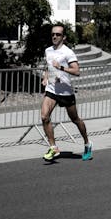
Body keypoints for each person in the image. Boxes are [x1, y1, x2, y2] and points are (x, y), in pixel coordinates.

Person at [41, 24, 93, 161]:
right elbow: (47, 66)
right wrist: (46, 77)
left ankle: (87, 143)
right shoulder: (48, 50)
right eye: (53, 34)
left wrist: (62, 68)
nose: (54, 36)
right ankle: (53, 148)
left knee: (75, 119)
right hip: (52, 90)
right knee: (44, 117)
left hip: (65, 92)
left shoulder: (68, 52)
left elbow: (77, 71)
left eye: (58, 34)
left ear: (63, 37)